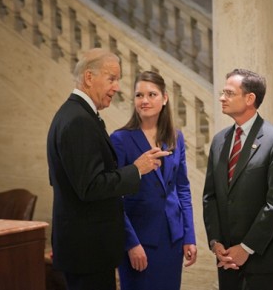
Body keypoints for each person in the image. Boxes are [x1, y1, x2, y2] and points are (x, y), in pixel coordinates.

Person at [47, 48, 170, 290]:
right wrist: (136, 169)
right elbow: (90, 186)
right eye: (111, 78)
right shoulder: (78, 121)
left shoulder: (77, 115)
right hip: (88, 251)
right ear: (89, 78)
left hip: (88, 249)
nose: (117, 87)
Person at [202, 68, 273, 290]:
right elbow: (210, 195)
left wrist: (246, 247)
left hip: (262, 259)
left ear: (250, 98)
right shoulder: (219, 140)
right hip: (226, 258)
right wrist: (216, 242)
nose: (222, 98)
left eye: (229, 93)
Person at [109, 71, 197, 290]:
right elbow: (113, 197)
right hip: (139, 239)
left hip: (172, 238)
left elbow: (182, 188)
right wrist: (130, 243)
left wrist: (189, 236)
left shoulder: (175, 136)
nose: (145, 101)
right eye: (139, 95)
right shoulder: (120, 139)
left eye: (151, 94)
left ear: (165, 98)